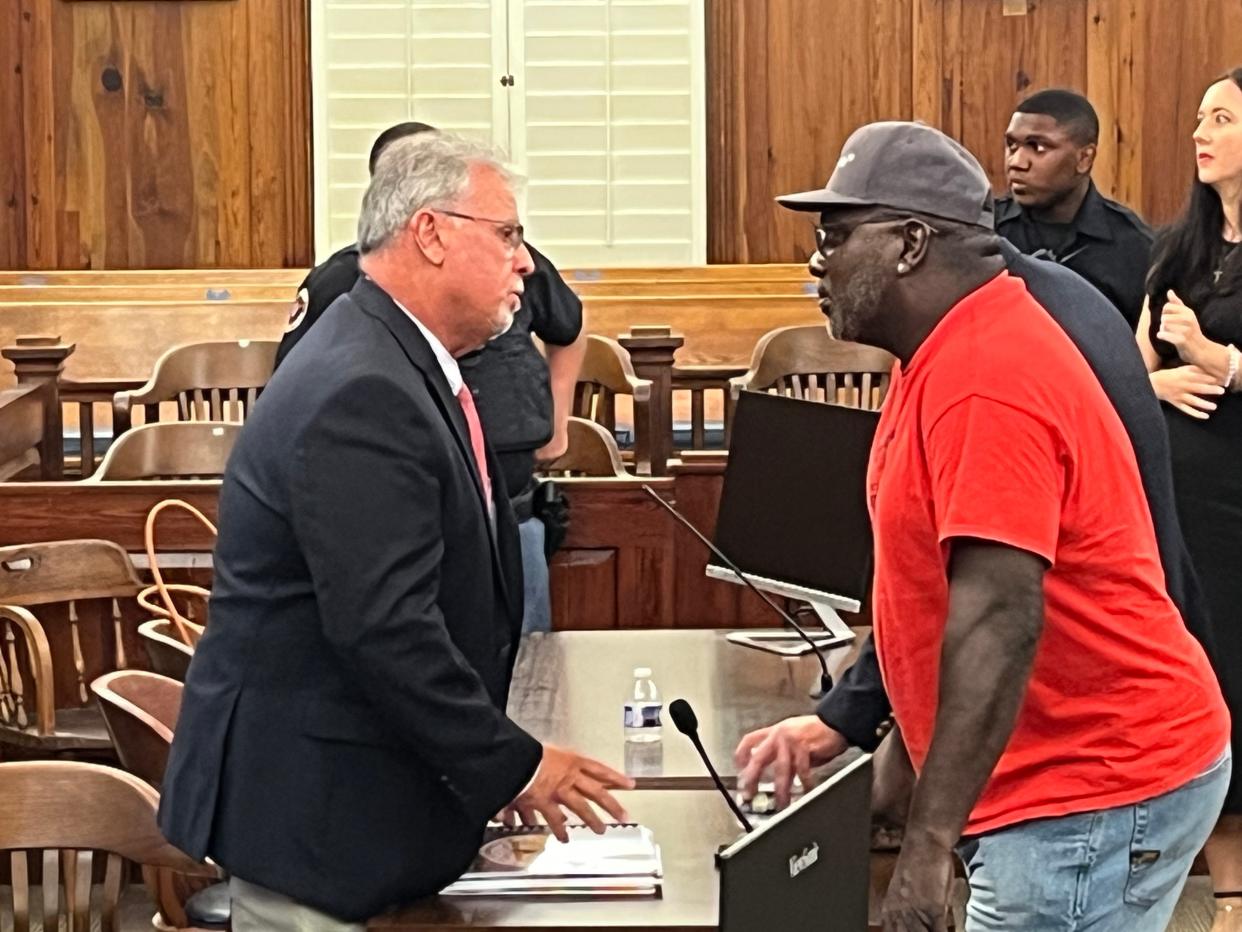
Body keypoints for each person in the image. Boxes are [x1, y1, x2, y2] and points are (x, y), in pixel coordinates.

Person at [746, 121, 1230, 932]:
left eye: (834, 236)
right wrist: (882, 750)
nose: (816, 262)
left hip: (1087, 787)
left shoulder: (986, 377)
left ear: (909, 243)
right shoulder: (937, 351)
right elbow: (927, 591)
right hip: (1058, 773)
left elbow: (998, 617)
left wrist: (927, 847)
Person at [159, 132, 633, 930]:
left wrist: (479, 775)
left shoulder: (395, 357)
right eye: (509, 234)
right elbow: (384, 627)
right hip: (318, 822)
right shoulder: (362, 389)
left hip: (362, 806)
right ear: (431, 232)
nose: (526, 262)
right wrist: (512, 768)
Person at [279, 121, 587, 634]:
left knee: (529, 680)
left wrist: (557, 421)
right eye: (505, 233)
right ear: (423, 225)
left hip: (513, 508)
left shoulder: (509, 271)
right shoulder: (349, 308)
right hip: (423, 535)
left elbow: (569, 329)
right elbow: (392, 634)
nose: (523, 260)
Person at [1139, 66, 1242, 932]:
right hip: (1185, 505)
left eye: (1223, 117)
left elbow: (1203, 355)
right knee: (1201, 672)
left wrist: (1220, 361)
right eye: (1201, 116)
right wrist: (1166, 384)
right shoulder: (1181, 246)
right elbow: (1137, 364)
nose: (1202, 132)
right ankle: (1222, 887)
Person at [997, 89, 1153, 329]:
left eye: (1037, 147)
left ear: (1084, 159)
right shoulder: (984, 230)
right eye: (1012, 145)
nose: (1016, 162)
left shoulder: (1135, 247)